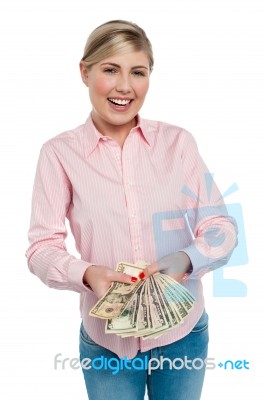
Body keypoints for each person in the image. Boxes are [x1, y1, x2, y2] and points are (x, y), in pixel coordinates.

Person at [26, 20, 238, 400]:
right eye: (111, 69)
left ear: (149, 77)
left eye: (138, 72)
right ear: (85, 71)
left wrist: (185, 260)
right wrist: (88, 275)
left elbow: (220, 226)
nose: (125, 86)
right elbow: (41, 247)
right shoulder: (58, 154)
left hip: (182, 335)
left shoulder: (178, 143)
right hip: (106, 342)